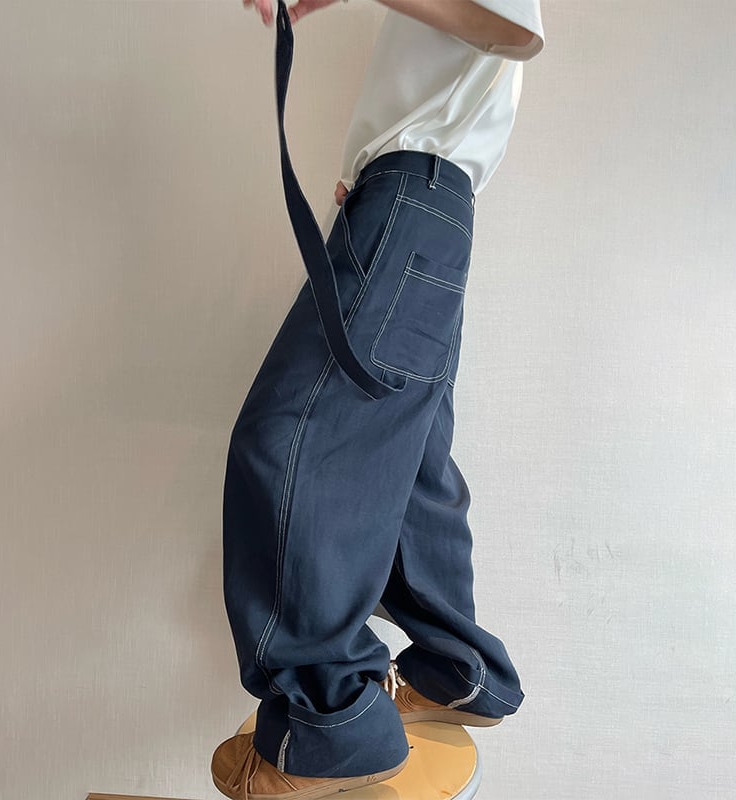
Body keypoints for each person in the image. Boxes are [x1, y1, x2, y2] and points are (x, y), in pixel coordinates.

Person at [212, 2, 545, 798]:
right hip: (421, 203)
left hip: (412, 197)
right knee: (411, 462)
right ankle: (456, 670)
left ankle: (330, 725)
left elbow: (517, 29)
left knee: (289, 441)